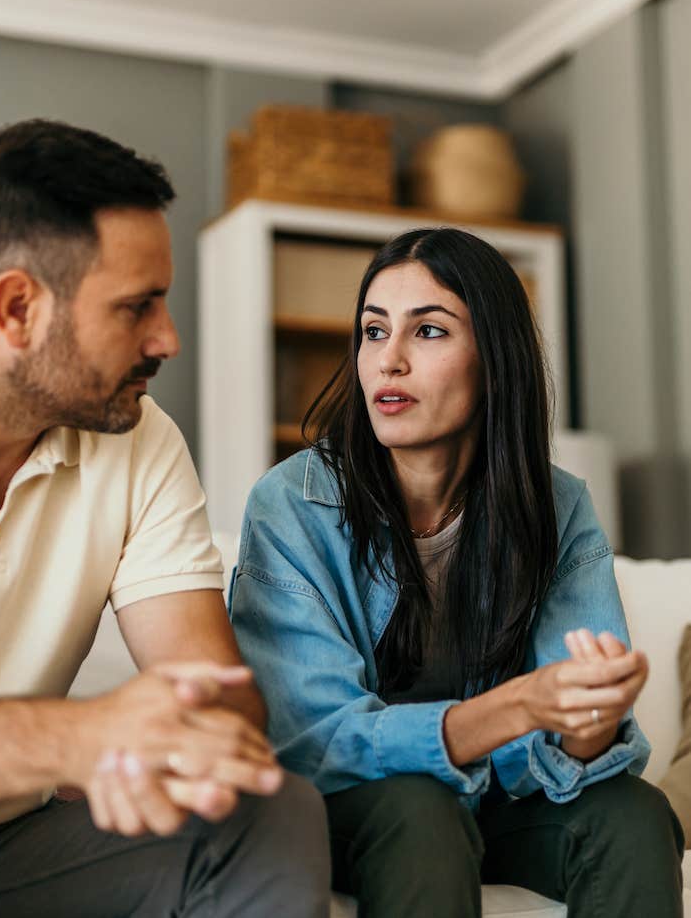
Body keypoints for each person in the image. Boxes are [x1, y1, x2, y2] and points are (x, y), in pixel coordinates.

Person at [0, 119, 330, 918]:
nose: (166, 338)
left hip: (13, 849)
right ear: (16, 308)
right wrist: (76, 738)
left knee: (268, 812)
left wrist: (176, 746)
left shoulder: (140, 439)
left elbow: (219, 697)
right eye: (138, 307)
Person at [228, 227, 684, 917]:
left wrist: (588, 713)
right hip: (352, 805)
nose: (390, 361)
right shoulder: (292, 504)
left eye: (430, 332)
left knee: (633, 812)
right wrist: (518, 706)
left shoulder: (559, 506)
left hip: (496, 802)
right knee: (421, 807)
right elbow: (315, 741)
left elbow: (570, 749)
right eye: (373, 332)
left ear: (493, 358)